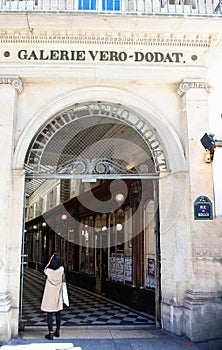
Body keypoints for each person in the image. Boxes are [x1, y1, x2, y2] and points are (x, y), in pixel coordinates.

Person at [41, 252, 64, 340]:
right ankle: (57, 331)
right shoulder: (61, 269)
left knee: (49, 313)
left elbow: (45, 268)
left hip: (49, 294)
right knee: (58, 313)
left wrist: (49, 261)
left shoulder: (48, 271)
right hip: (57, 294)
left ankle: (50, 333)